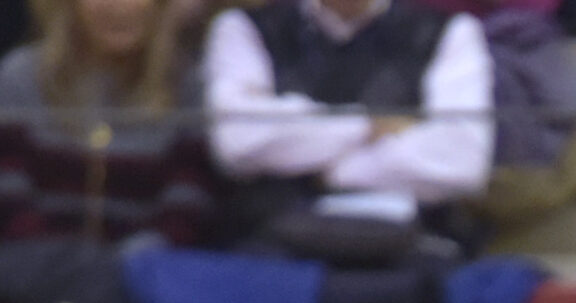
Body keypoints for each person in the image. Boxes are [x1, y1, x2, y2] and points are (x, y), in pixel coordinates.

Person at [205, 0, 493, 260]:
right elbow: (237, 142)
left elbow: (462, 162)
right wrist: (368, 126)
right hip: (273, 250)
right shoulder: (246, 28)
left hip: (410, 251)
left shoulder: (449, 31)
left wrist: (328, 171)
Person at [0, 0, 217, 244]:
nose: (119, 6)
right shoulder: (19, 78)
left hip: (145, 271)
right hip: (32, 267)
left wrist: (139, 259)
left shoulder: (187, 88)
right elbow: (9, 196)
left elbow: (188, 201)